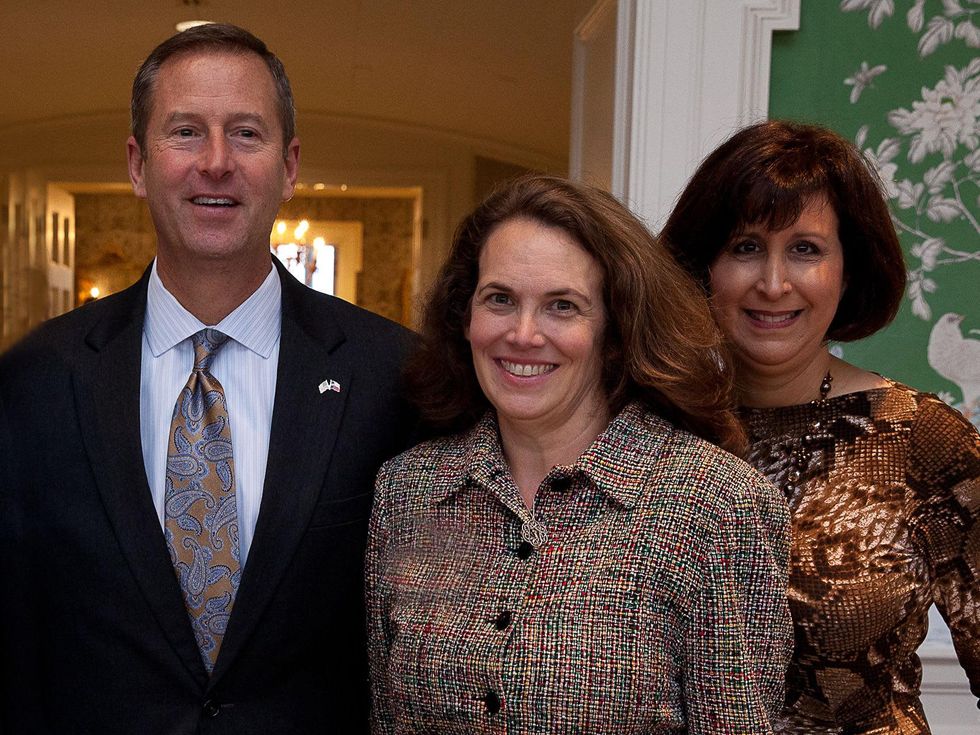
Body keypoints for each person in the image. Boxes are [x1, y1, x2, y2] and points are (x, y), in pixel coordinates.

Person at [0, 24, 415, 734]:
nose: (216, 162)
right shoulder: (36, 382)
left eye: (246, 134)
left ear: (289, 166)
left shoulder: (392, 375)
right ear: (137, 163)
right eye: (186, 132)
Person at [366, 174, 792, 733]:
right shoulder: (409, 490)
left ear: (615, 329)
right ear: (463, 317)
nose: (522, 334)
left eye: (561, 307)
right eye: (499, 299)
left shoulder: (717, 506)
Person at [661, 119, 980, 732]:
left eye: (805, 249)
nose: (773, 283)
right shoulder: (651, 432)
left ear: (848, 269)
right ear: (704, 267)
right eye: (745, 247)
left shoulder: (920, 439)